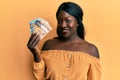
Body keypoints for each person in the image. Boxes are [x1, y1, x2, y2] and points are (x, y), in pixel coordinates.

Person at [27, 1, 101, 80]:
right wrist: (36, 54)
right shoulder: (49, 45)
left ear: (78, 22)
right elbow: (41, 77)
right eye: (59, 21)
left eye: (68, 20)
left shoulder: (91, 50)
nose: (63, 25)